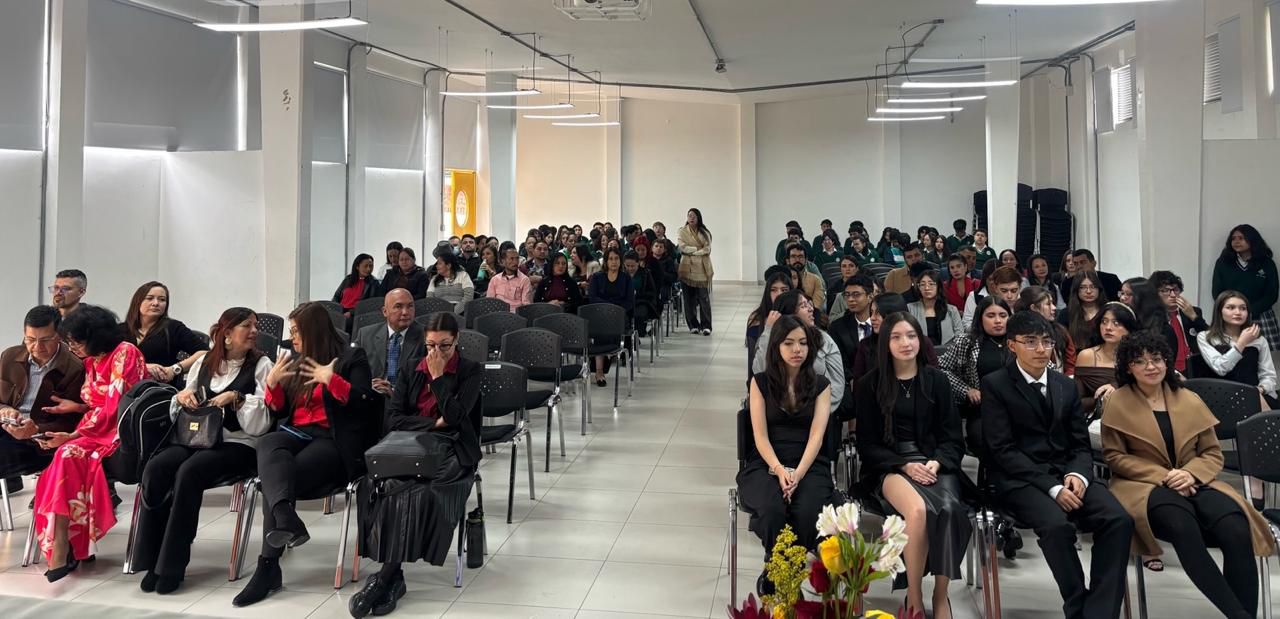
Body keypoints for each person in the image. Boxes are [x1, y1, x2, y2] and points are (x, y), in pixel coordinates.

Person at [1102, 330, 1275, 619]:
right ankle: (1239, 615)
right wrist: (1166, 475)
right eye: (1141, 361)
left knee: (1236, 529)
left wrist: (1190, 474)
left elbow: (1212, 453)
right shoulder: (1117, 401)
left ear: (1167, 362)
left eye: (1156, 359)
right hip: (1145, 485)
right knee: (1183, 528)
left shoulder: (1189, 398)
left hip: (1197, 481)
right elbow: (1115, 457)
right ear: (1128, 367)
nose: (1151, 366)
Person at [981, 311, 1134, 619]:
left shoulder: (1065, 385)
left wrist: (1077, 473)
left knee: (1118, 519)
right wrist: (1052, 488)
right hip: (1021, 479)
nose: (1041, 349)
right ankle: (1077, 605)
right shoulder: (996, 385)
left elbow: (1079, 442)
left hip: (1068, 471)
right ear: (1012, 346)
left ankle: (1100, 611)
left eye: (1047, 342)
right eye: (1031, 342)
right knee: (1056, 526)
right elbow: (1002, 450)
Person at [234, 303, 377, 607]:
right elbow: (282, 411)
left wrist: (332, 380)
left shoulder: (352, 357)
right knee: (267, 443)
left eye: (297, 332)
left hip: (334, 441)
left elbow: (367, 404)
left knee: (280, 480)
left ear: (313, 331)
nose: (292, 338)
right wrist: (272, 386)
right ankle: (286, 518)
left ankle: (268, 568)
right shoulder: (296, 361)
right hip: (297, 433)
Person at [348, 312, 483, 618]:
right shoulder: (411, 367)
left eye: (445, 346)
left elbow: (458, 418)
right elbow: (393, 417)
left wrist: (438, 380)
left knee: (415, 490)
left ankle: (386, 576)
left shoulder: (470, 371)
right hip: (411, 447)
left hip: (454, 449)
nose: (436, 353)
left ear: (457, 340)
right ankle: (393, 578)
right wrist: (432, 422)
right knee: (378, 485)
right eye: (431, 345)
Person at [133, 307, 273, 594]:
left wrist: (237, 399)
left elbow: (263, 422)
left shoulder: (260, 364)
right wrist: (182, 397)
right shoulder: (204, 364)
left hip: (238, 444)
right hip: (196, 439)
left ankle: (172, 564)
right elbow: (181, 404)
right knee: (157, 467)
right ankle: (150, 559)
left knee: (190, 472)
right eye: (247, 326)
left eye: (255, 326)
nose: (255, 331)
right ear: (227, 335)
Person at [855, 312, 968, 619]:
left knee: (950, 510)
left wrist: (937, 462)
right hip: (890, 467)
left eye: (912, 336)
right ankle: (914, 596)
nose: (906, 343)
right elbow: (867, 445)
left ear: (921, 340)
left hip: (934, 464)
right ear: (885, 344)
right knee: (916, 511)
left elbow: (953, 437)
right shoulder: (869, 385)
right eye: (896, 337)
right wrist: (904, 465)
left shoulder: (937, 380)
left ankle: (941, 595)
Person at [32, 305, 147, 581]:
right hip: (98, 430)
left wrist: (74, 436)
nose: (72, 347)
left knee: (66, 454)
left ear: (96, 336)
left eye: (77, 342)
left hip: (124, 434)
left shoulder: (125, 353)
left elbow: (115, 407)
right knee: (61, 460)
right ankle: (68, 543)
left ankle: (63, 545)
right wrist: (77, 413)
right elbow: (96, 407)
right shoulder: (92, 361)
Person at [737, 315, 838, 594]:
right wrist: (780, 470)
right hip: (767, 461)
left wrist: (797, 474)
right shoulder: (760, 383)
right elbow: (760, 436)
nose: (797, 350)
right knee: (772, 509)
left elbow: (817, 436)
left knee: (807, 512)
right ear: (776, 347)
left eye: (803, 343)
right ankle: (775, 564)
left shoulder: (821, 385)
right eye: (789, 343)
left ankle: (787, 567)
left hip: (809, 463)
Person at [0, 306, 86, 480]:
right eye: (30, 339)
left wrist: (36, 429)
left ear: (59, 336)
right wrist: (3, 409)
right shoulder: (9, 357)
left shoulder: (74, 368)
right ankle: (11, 482)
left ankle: (12, 481)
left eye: (46, 339)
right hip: (6, 428)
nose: (37, 347)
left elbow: (70, 423)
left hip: (39, 441)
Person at [751, 291, 846, 409]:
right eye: (803, 306)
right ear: (789, 313)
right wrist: (770, 331)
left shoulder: (823, 339)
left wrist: (818, 411)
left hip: (818, 410)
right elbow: (760, 371)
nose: (811, 309)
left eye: (809, 304)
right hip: (777, 412)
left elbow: (837, 383)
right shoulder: (769, 338)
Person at [939, 296, 1011, 451]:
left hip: (1017, 408)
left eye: (1003, 315)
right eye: (991, 316)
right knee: (986, 443)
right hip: (982, 410)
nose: (998, 321)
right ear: (980, 318)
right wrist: (966, 390)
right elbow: (941, 369)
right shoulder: (966, 342)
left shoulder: (1020, 341)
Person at [1197, 290, 1279, 408]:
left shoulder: (1259, 340)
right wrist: (1241, 343)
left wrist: (1261, 389)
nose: (1238, 312)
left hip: (1255, 392)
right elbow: (1220, 368)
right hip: (1222, 396)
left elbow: (1268, 375)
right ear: (1219, 311)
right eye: (1230, 308)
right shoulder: (1205, 337)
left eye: (1243, 308)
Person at [1076, 303, 1140, 450]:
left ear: (1129, 328)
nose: (1108, 327)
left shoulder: (1138, 357)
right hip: (1099, 422)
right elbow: (1078, 400)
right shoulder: (1087, 355)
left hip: (1136, 418)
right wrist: (1100, 400)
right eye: (1104, 322)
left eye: (1116, 323)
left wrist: (1116, 387)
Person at [123, 282, 208, 388]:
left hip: (158, 390)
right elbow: (104, 361)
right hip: (122, 389)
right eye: (149, 298)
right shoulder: (120, 329)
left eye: (162, 300)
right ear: (137, 301)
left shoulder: (173, 327)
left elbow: (205, 352)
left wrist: (175, 369)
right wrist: (143, 367)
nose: (156, 303)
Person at [851, 293, 940, 388]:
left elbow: (934, 379)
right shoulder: (866, 345)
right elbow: (859, 384)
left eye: (877, 313)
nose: (872, 318)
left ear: (892, 314)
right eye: (871, 312)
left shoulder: (921, 341)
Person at [1213, 224, 1279, 344]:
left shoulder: (1266, 263)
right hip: (1231, 316)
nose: (1236, 242)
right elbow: (1217, 292)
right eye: (1233, 238)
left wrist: (1249, 311)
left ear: (1252, 240)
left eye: (1241, 238)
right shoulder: (1223, 262)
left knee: (1263, 355)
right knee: (1232, 352)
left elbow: (1272, 294)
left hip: (1260, 315)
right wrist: (1233, 310)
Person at [354, 289, 423, 399]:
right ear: (385, 311)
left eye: (410, 306)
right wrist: (368, 385)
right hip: (371, 398)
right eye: (398, 307)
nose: (405, 312)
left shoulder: (426, 338)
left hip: (406, 402)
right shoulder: (365, 334)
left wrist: (394, 392)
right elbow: (353, 371)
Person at [1149, 270, 1208, 376]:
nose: (1172, 295)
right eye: (1165, 290)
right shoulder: (1151, 317)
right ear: (1154, 293)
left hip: (1193, 365)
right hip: (1166, 367)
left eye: (1175, 290)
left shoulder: (1192, 311)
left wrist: (1194, 317)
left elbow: (1211, 337)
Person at [588, 248, 634, 386]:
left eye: (616, 258)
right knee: (599, 330)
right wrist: (607, 307)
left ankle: (606, 359)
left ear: (621, 261)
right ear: (606, 262)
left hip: (619, 316)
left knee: (607, 329)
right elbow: (592, 298)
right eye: (611, 259)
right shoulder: (597, 277)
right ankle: (599, 371)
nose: (614, 262)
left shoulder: (626, 279)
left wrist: (613, 309)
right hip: (600, 315)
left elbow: (629, 302)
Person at [1016, 286, 1076, 375]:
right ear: (1034, 308)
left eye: (1053, 303)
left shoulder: (1060, 330)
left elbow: (1071, 362)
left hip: (1061, 382)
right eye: (1048, 304)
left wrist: (1067, 381)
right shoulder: (1019, 333)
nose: (1054, 307)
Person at [747, 274, 794, 380]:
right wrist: (768, 329)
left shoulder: (797, 317)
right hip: (765, 380)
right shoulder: (757, 319)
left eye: (784, 290)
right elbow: (755, 365)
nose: (779, 294)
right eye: (774, 290)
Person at [828, 275, 877, 376]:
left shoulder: (882, 323)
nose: (850, 299)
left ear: (870, 297)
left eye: (856, 294)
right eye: (847, 295)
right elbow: (838, 362)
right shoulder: (837, 327)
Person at [678, 208, 714, 335]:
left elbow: (707, 248)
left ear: (698, 218)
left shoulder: (705, 232)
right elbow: (682, 247)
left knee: (703, 298)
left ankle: (706, 325)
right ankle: (693, 325)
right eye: (689, 216)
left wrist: (693, 251)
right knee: (689, 298)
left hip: (702, 269)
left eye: (694, 216)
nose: (691, 218)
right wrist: (697, 249)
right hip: (686, 268)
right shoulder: (682, 231)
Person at [907, 268, 963, 346]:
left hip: (948, 354)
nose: (926, 288)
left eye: (931, 284)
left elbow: (959, 336)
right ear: (918, 288)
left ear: (938, 286)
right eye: (922, 284)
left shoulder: (952, 310)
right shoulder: (910, 309)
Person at [1057, 271, 1108, 355]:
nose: (1088, 291)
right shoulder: (1066, 314)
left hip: (1104, 359)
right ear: (1076, 290)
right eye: (1083, 287)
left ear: (1099, 289)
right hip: (1075, 361)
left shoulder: (1108, 311)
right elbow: (1061, 343)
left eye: (1093, 287)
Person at [332, 254, 381, 322]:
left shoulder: (373, 283)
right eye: (365, 266)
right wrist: (335, 310)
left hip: (357, 314)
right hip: (341, 310)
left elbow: (369, 304)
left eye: (371, 266)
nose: (368, 269)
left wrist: (351, 313)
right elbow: (336, 296)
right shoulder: (348, 279)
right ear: (357, 267)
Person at [487, 248, 534, 312]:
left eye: (517, 258)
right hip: (497, 315)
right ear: (503, 261)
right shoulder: (495, 279)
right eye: (511, 259)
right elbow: (490, 302)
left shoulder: (525, 280)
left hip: (516, 317)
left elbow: (526, 305)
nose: (515, 262)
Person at [783, 242, 827, 311]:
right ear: (788, 261)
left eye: (800, 257)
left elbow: (816, 306)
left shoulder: (815, 280)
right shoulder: (781, 280)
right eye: (793, 256)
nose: (797, 260)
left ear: (806, 260)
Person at [624, 251, 659, 338]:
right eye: (627, 266)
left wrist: (638, 294)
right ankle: (626, 336)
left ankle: (638, 334)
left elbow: (652, 292)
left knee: (639, 313)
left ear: (638, 263)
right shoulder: (621, 274)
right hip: (625, 301)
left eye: (633, 266)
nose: (630, 268)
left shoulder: (645, 273)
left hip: (642, 301)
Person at [826, 256, 862, 320]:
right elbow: (831, 314)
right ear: (840, 269)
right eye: (844, 266)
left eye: (851, 266)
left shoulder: (864, 285)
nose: (847, 269)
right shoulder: (833, 290)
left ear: (857, 268)